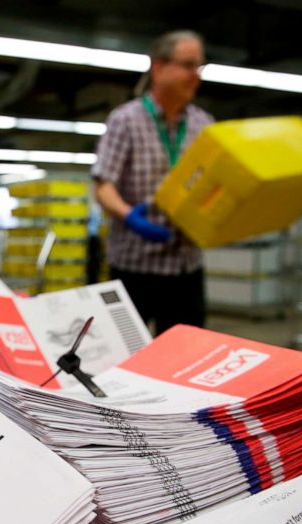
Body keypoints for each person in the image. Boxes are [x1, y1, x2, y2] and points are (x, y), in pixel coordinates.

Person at [92, 30, 214, 335]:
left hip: (187, 267)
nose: (195, 75)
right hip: (135, 269)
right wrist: (129, 216)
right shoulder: (126, 120)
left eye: (200, 67)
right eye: (188, 65)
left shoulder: (204, 124)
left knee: (184, 362)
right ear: (159, 68)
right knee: (126, 358)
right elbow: (103, 185)